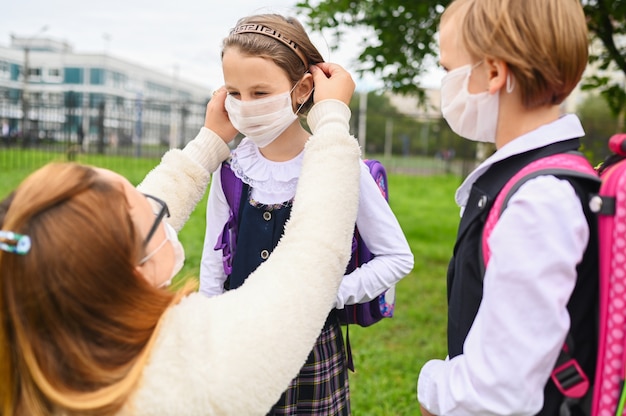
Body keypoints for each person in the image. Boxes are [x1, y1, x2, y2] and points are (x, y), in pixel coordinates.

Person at [0, 62, 362, 416]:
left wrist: (208, 143)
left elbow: (135, 215)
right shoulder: (194, 370)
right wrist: (330, 121)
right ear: (132, 267)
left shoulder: (32, 349)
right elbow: (312, 256)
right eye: (147, 209)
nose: (155, 206)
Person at [199, 14, 414, 415]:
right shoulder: (230, 168)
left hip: (312, 359)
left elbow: (397, 257)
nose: (245, 107)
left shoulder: (337, 163)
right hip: (238, 347)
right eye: (234, 92)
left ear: (301, 90)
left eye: (260, 91)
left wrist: (328, 293)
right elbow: (214, 263)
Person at [417, 0, 598, 415]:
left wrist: (432, 387)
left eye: (448, 71)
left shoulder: (539, 200)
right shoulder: (536, 181)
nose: (445, 85)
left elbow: (496, 394)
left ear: (495, 72)